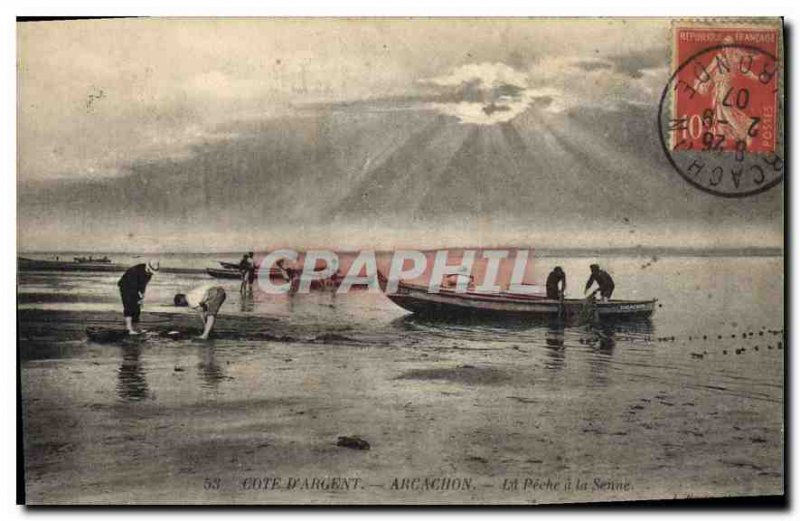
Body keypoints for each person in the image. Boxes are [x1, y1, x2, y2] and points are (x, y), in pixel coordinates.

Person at [118, 260, 159, 335]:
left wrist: (142, 297)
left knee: (137, 308)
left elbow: (143, 286)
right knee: (129, 306)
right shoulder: (135, 271)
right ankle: (129, 329)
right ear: (148, 267)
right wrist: (138, 298)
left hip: (135, 287)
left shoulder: (149, 274)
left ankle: (137, 328)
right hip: (125, 286)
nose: (151, 273)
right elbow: (133, 286)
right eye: (151, 271)